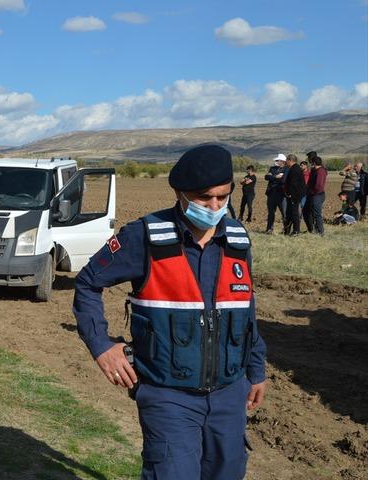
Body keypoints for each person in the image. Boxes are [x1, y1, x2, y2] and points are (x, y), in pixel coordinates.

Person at [73, 144, 267, 480]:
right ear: (180, 193)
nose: (216, 206)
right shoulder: (143, 236)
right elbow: (88, 283)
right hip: (168, 396)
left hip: (229, 394)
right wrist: (101, 346)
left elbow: (245, 307)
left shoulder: (238, 239)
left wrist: (256, 369)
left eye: (223, 196)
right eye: (205, 198)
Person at [264, 154, 287, 233]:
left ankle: (286, 229)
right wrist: (275, 177)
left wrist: (272, 177)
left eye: (278, 160)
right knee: (271, 213)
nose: (276, 162)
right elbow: (266, 177)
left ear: (283, 161)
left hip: (281, 194)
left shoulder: (286, 169)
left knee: (284, 213)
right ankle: (269, 229)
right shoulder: (272, 168)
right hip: (271, 194)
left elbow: (283, 180)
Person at [305, 153, 327, 236]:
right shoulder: (315, 170)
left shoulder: (321, 171)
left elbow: (319, 186)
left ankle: (321, 232)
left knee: (317, 214)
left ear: (314, 163)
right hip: (313, 194)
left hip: (317, 195)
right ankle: (313, 230)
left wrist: (312, 192)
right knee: (308, 212)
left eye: (311, 162)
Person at [283, 154, 306, 235]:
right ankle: (287, 231)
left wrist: (290, 194)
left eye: (286, 160)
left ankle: (296, 231)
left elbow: (294, 184)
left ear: (290, 160)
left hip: (294, 196)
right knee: (289, 213)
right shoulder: (294, 168)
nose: (285, 162)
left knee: (294, 213)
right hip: (293, 195)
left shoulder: (295, 169)